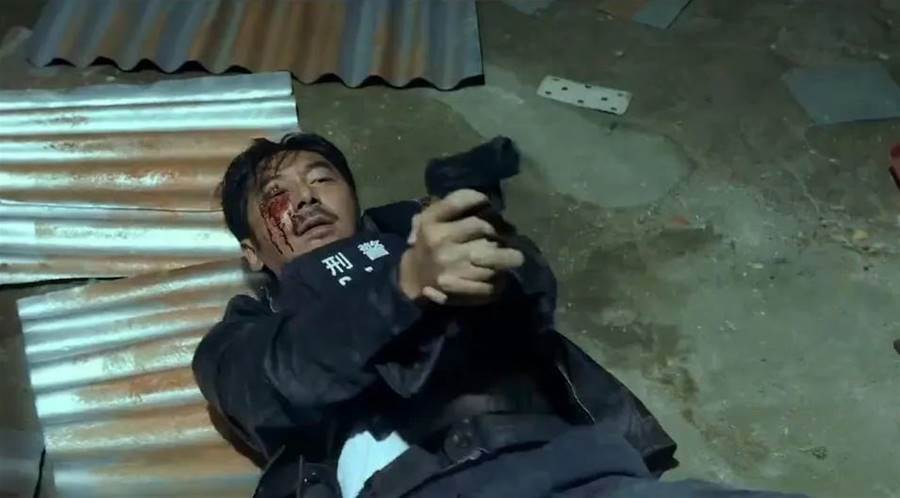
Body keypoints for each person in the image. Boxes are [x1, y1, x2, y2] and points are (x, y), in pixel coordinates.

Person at [193, 133, 805, 498]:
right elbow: (277, 380)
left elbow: (532, 290)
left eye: (321, 179)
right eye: (276, 195)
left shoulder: (426, 235)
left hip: (571, 467)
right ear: (252, 253)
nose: (304, 197)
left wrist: (490, 242)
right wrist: (400, 292)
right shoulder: (243, 335)